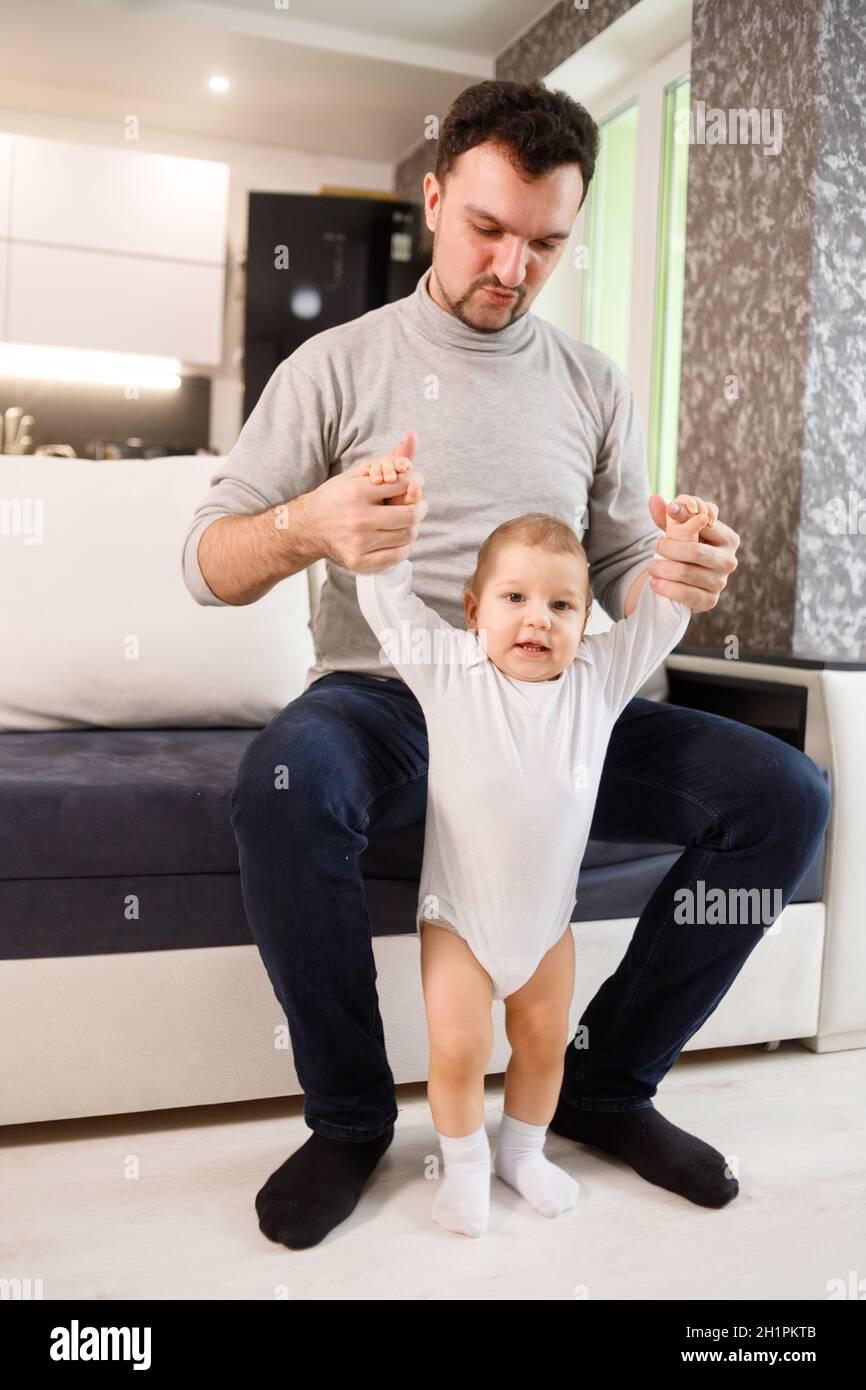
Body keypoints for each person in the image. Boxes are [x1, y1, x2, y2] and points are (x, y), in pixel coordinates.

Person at [181, 79, 830, 1250]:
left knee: (784, 794)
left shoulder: (592, 384)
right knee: (283, 787)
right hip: (386, 701)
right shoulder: (335, 366)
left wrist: (683, 565)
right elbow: (205, 561)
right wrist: (306, 526)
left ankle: (604, 1081)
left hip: (555, 700)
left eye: (544, 242)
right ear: (434, 199)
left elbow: (627, 560)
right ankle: (348, 1119)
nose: (511, 266)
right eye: (486, 228)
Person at [355, 453, 711, 1236]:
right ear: (475, 608)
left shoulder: (599, 678)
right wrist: (389, 517)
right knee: (456, 1049)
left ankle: (522, 1151)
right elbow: (387, 602)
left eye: (561, 604)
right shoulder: (449, 668)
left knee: (544, 1045)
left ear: (587, 622)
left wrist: (681, 544)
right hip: (460, 923)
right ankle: (467, 1163)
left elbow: (662, 616)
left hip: (549, 925)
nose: (538, 619)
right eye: (514, 598)